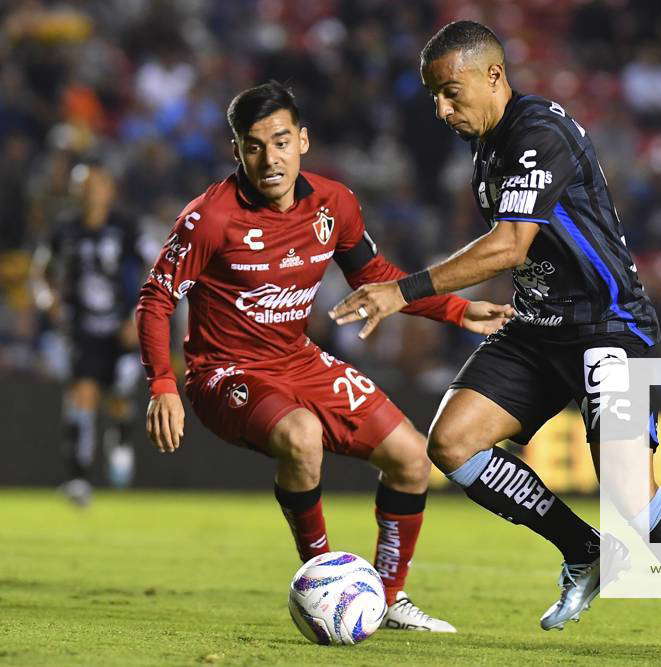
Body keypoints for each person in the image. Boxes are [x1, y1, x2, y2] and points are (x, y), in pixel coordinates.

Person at [329, 21, 661, 663]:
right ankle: (586, 550)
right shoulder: (488, 144)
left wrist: (405, 292)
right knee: (450, 443)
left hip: (604, 327)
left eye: (451, 93)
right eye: (433, 98)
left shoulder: (539, 133)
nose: (442, 110)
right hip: (538, 325)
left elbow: (510, 246)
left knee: (626, 486)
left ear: (494, 76)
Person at [136, 81, 513, 632]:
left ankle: (382, 600)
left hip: (298, 360)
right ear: (236, 151)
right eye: (255, 146)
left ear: (303, 141)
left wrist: (458, 310)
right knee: (302, 436)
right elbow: (156, 297)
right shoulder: (209, 218)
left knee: (412, 459)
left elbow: (376, 278)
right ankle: (322, 583)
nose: (270, 159)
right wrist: (163, 384)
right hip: (225, 373)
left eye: (282, 142)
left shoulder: (333, 203)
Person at [32, 163, 147, 506]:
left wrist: (138, 316)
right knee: (82, 395)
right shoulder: (64, 228)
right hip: (81, 328)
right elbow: (40, 271)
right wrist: (46, 297)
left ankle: (122, 440)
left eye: (96, 185)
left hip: (121, 326)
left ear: (110, 190)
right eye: (82, 186)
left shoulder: (126, 227)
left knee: (120, 398)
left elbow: (158, 267)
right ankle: (78, 477)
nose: (89, 192)